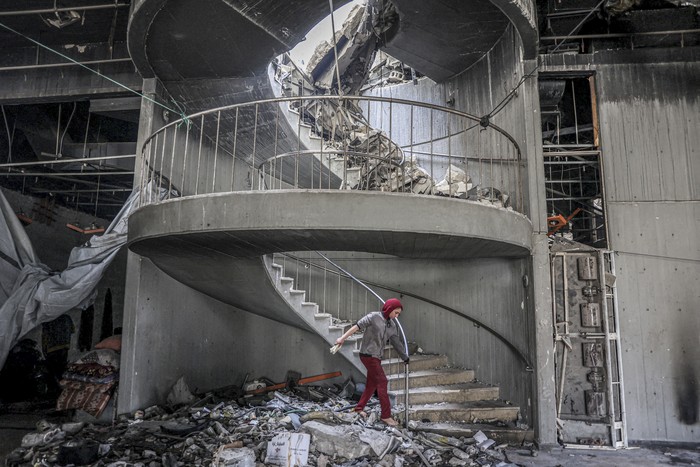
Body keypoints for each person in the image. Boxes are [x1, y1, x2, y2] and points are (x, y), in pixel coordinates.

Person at [335, 298, 409, 426]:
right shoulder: (374, 317)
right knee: (383, 381)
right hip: (367, 355)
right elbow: (356, 327)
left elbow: (396, 343)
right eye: (396, 313)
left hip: (377, 357)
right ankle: (386, 416)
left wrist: (405, 357)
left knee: (371, 384)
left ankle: (359, 408)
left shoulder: (392, 325)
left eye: (398, 314)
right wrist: (342, 338)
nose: (397, 316)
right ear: (389, 309)